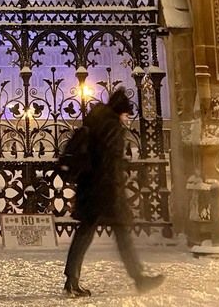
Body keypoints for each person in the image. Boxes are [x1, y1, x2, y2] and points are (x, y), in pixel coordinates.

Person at [61, 87, 164, 297]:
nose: (126, 119)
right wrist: (121, 171)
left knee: (88, 234)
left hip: (93, 188)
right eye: (126, 114)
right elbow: (108, 160)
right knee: (117, 234)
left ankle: (72, 280)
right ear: (120, 111)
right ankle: (138, 279)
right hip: (105, 190)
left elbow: (100, 156)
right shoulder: (111, 126)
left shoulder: (98, 122)